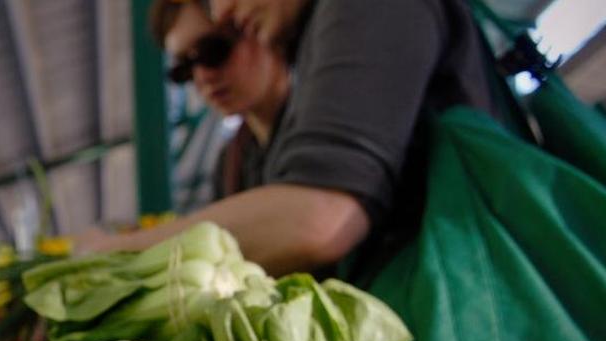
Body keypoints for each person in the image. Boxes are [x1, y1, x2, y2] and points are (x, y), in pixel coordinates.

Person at [81, 0, 499, 280]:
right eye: (184, 70)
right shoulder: (235, 159)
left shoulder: (366, 10)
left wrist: (119, 253)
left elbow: (318, 221)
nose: (226, 9)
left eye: (214, 49)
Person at [149, 0, 290, 198]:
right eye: (185, 66)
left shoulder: (323, 127)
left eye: (213, 51)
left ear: (254, 23)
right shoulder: (231, 165)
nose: (203, 77)